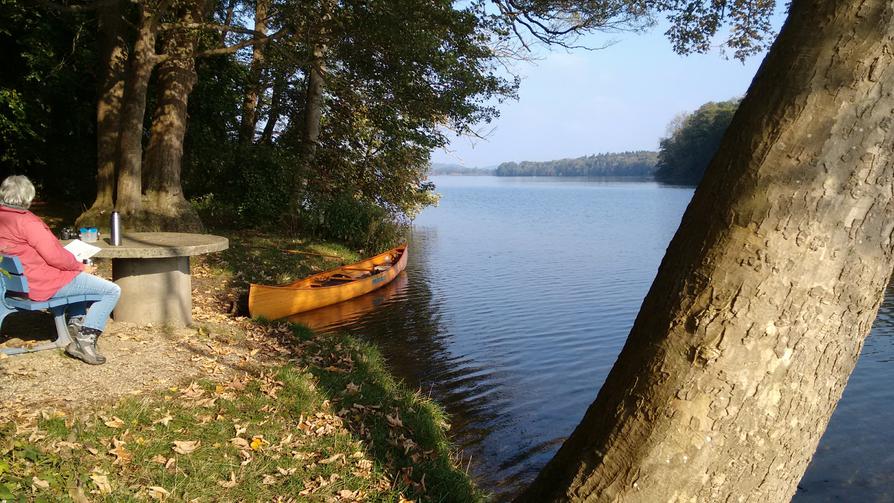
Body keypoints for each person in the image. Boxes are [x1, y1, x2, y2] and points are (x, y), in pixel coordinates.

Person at [0, 175, 120, 364]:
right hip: (42, 284)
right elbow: (55, 257)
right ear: (28, 197)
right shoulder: (28, 222)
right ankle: (84, 341)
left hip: (16, 283)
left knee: (80, 279)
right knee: (111, 290)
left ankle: (75, 324)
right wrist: (80, 266)